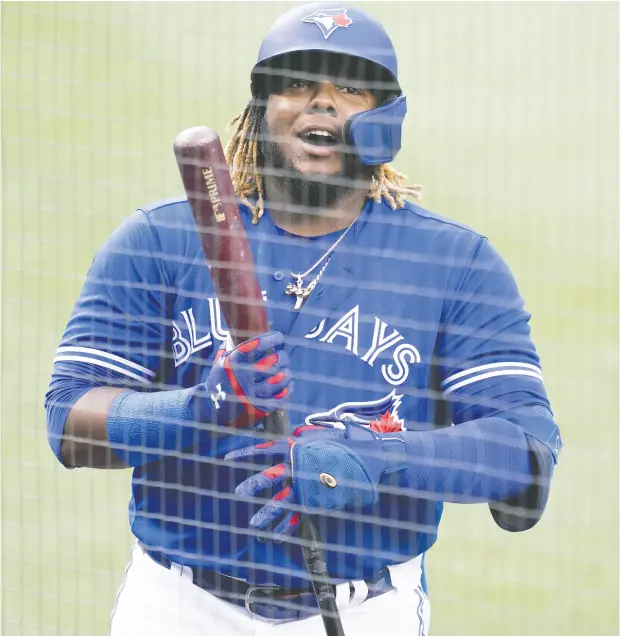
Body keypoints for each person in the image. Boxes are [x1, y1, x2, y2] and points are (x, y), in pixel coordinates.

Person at [44, 3, 563, 635]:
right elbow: (68, 419)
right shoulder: (160, 241)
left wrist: (373, 457)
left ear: (386, 119)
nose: (321, 103)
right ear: (261, 110)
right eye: (296, 83)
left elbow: (526, 452)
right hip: (178, 604)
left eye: (349, 87)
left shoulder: (456, 263)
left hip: (366, 608)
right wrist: (197, 410)